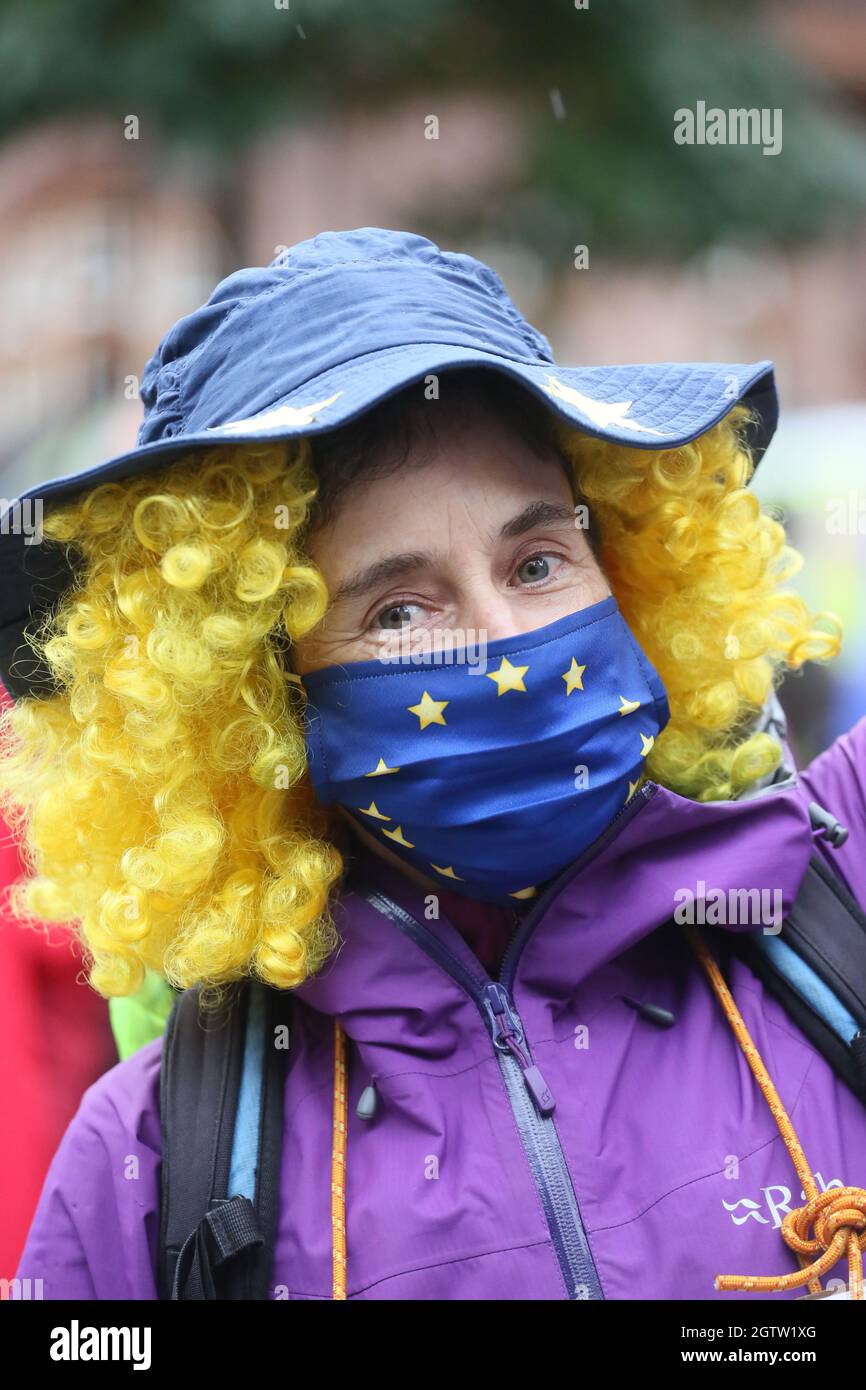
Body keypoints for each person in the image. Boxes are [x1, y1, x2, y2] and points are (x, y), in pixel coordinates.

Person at [3, 227, 866, 1302]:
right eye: (399, 608)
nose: (503, 640)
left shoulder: (834, 887)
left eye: (538, 559)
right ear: (260, 702)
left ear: (635, 571)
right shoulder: (147, 1165)